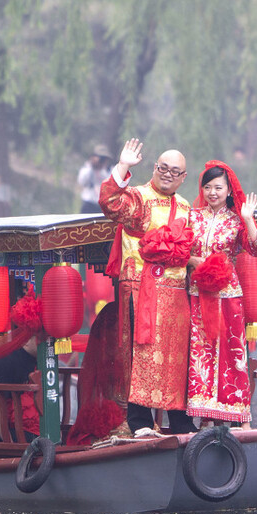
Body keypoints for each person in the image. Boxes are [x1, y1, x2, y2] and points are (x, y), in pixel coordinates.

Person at [99, 137, 196, 435]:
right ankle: (139, 421)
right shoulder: (139, 198)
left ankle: (180, 421)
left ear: (183, 177)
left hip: (176, 293)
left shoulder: (186, 206)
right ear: (154, 168)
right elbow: (110, 204)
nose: (167, 174)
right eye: (163, 168)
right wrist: (123, 166)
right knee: (140, 353)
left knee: (177, 357)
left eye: (174, 171)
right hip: (142, 288)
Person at [186, 161, 257, 428]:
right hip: (198, 294)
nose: (212, 192)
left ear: (229, 190)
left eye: (218, 187)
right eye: (207, 187)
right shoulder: (192, 217)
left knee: (233, 354)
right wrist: (192, 260)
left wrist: (248, 219)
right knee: (201, 353)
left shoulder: (236, 220)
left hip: (228, 296)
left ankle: (240, 416)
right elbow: (181, 250)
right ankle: (206, 417)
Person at [76, 144, 113, 213]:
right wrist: (92, 167)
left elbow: (112, 185)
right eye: (101, 158)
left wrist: (102, 169)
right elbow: (82, 181)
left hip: (104, 205)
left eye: (104, 159)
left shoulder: (109, 170)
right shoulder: (87, 168)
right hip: (89, 203)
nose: (102, 161)